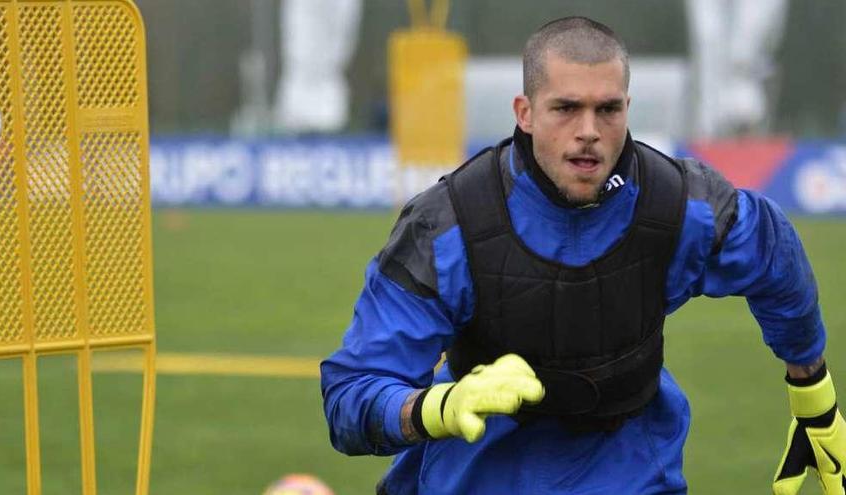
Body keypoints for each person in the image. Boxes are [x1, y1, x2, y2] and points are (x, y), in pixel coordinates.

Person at [320, 16, 846, 495]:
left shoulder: (681, 205)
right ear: (524, 113)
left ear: (627, 109)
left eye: (608, 108)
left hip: (634, 477)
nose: (589, 130)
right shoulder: (450, 226)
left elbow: (774, 254)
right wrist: (438, 408)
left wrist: (814, 395)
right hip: (473, 479)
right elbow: (350, 397)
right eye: (567, 107)